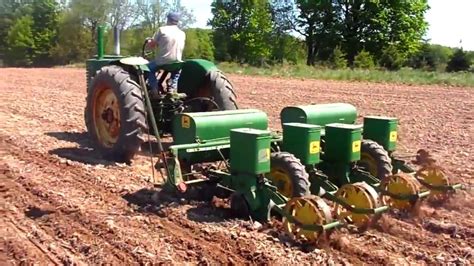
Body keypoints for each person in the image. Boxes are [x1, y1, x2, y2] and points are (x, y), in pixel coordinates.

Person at [146, 12, 186, 94]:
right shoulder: (182, 33)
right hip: (177, 62)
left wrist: (148, 41)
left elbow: (152, 45)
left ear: (168, 20)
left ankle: (154, 89)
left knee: (148, 68)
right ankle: (172, 88)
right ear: (177, 22)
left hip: (163, 61)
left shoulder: (162, 30)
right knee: (176, 71)